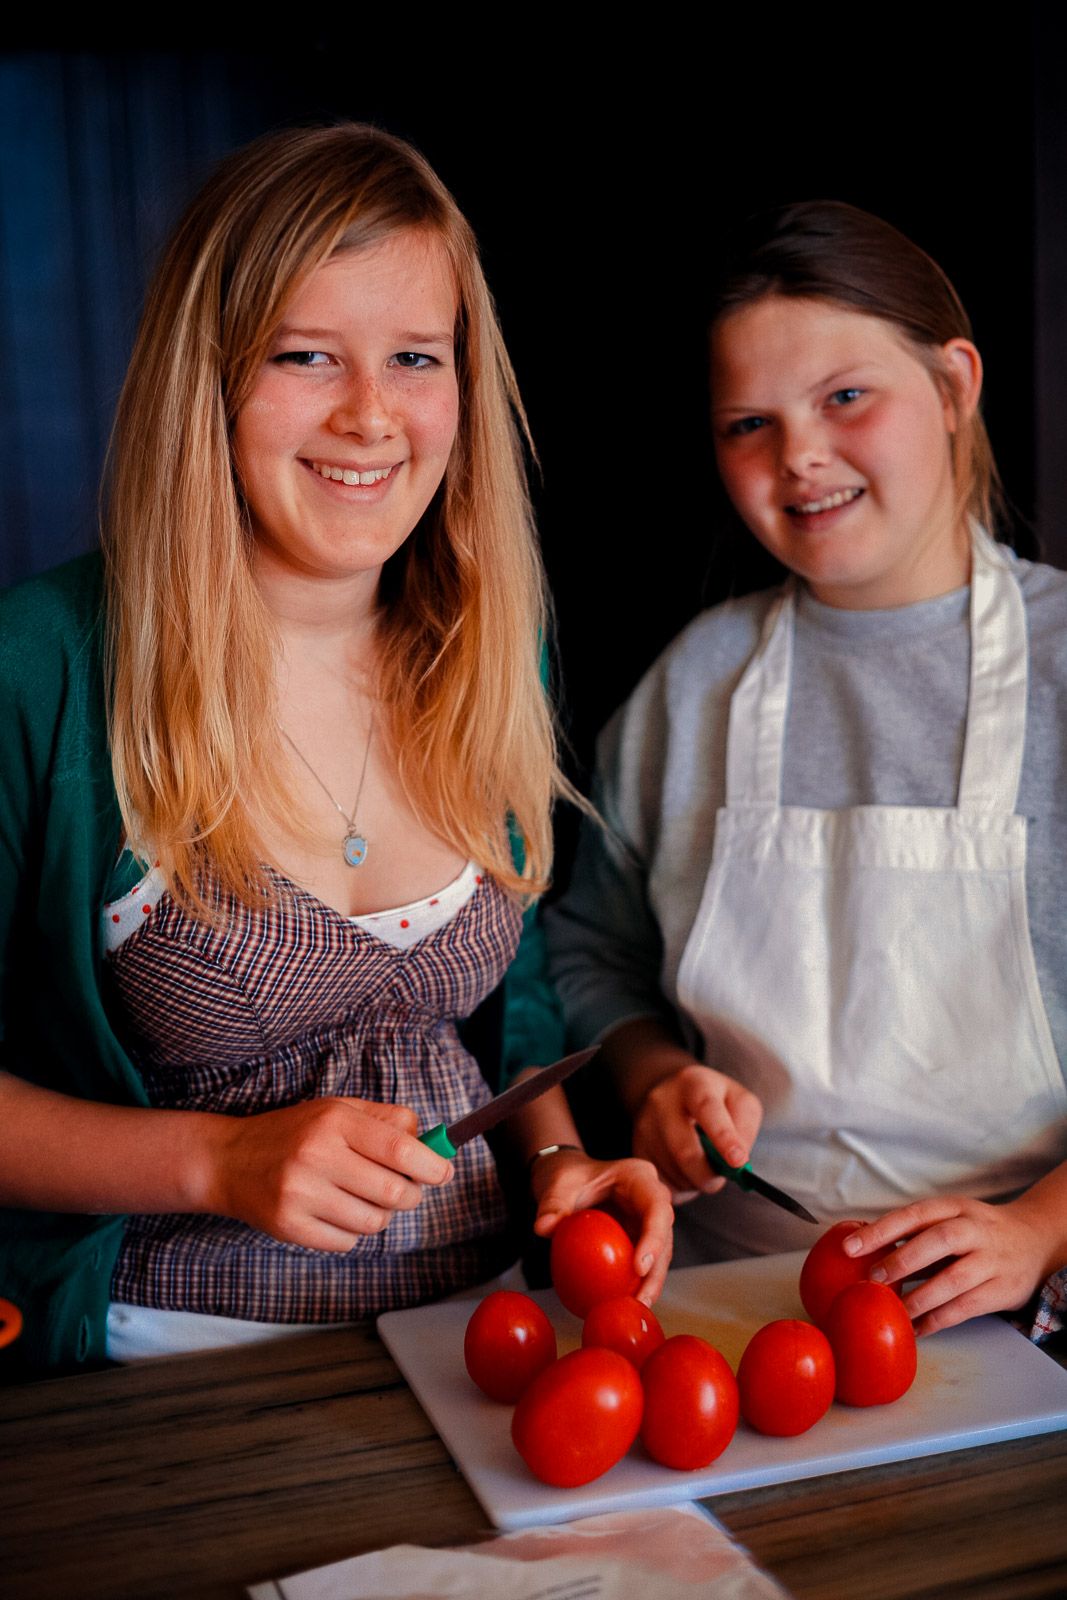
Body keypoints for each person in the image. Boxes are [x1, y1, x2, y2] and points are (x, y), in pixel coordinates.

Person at [0, 123, 672, 1371]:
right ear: (208, 378)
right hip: (161, 1364)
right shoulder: (41, 666)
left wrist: (558, 1158)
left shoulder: (488, 649)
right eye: (306, 355)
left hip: (484, 1343)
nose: (370, 415)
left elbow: (515, 1002)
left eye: (414, 357)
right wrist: (215, 1159)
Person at [547, 200, 1067, 1340]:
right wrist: (653, 1078)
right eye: (748, 424)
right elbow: (589, 950)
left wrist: (1037, 1227)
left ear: (953, 385)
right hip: (724, 1308)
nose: (799, 457)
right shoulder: (693, 687)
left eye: (844, 397)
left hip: (1016, 1310)